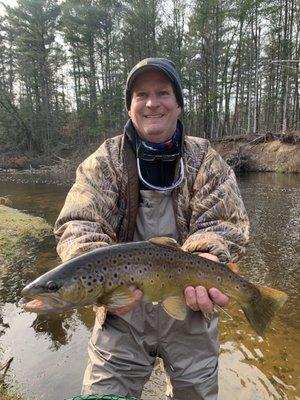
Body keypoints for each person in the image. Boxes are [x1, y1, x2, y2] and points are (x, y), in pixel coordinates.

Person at [54, 58, 250, 400]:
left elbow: (225, 223)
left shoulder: (205, 160)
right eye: (141, 94)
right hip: (121, 311)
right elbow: (78, 224)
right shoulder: (105, 161)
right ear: (130, 108)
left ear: (178, 104)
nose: (151, 102)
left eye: (163, 92)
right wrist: (96, 275)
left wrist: (208, 252)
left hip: (190, 306)